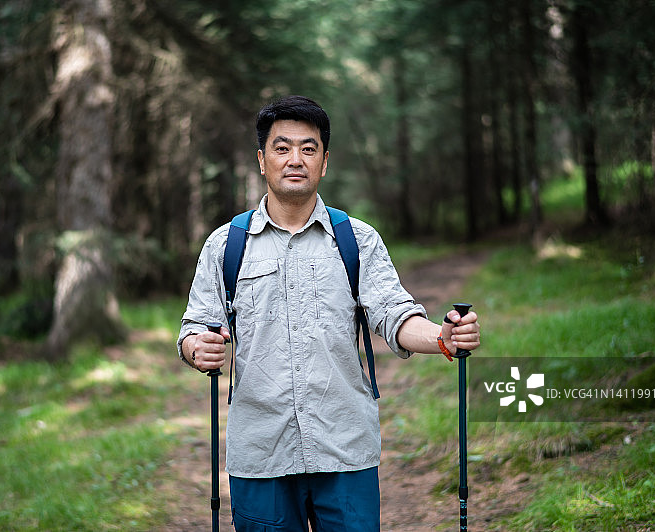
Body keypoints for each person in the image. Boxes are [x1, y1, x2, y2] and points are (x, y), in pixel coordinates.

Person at [177, 95, 480, 531]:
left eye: (308, 148)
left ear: (324, 162)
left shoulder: (357, 239)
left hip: (345, 449)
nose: (295, 159)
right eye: (282, 148)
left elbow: (395, 315)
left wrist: (443, 338)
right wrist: (196, 349)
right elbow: (194, 330)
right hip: (261, 453)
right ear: (262, 161)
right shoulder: (226, 244)